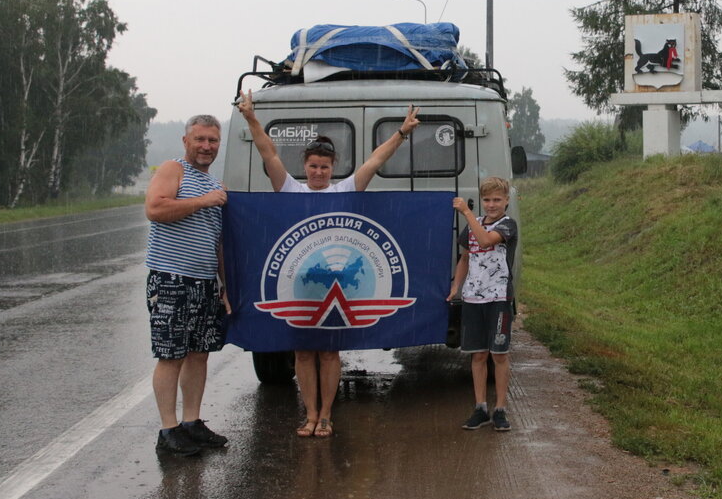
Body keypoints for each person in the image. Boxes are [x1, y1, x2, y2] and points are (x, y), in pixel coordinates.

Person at [237, 90, 420, 438]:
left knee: (329, 353)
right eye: (313, 166)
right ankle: (308, 414)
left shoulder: (345, 191)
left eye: (324, 167)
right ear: (304, 167)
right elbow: (268, 152)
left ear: (333, 168)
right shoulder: (290, 191)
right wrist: (250, 118)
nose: (318, 172)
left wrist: (402, 131)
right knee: (304, 353)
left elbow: (374, 163)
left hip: (334, 290)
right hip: (300, 288)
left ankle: (325, 415)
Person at [144, 114, 230, 457]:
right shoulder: (173, 169)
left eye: (212, 141)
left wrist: (225, 285)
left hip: (205, 282)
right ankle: (169, 431)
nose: (206, 146)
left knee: (198, 354)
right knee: (171, 355)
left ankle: (192, 424)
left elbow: (218, 241)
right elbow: (155, 208)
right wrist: (203, 201)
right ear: (186, 142)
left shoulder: (216, 183)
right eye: (200, 139)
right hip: (170, 279)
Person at [447, 176, 518, 432]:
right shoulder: (474, 223)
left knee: (499, 354)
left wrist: (466, 212)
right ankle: (480, 408)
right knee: (478, 355)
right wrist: (456, 285)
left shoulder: (508, 225)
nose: (491, 205)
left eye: (497, 200)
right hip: (473, 298)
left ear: (506, 201)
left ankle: (500, 409)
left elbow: (487, 241)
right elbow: (465, 257)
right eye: (487, 200)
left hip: (499, 297)